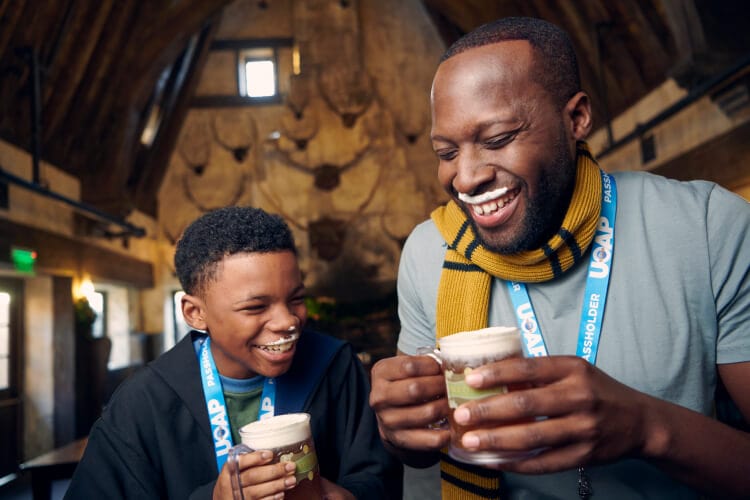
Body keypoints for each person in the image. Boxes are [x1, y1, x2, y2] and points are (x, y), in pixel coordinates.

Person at [369, 16, 750, 500]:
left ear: (576, 119)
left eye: (498, 139)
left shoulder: (708, 227)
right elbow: (422, 448)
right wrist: (399, 429)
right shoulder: (429, 251)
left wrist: (646, 427)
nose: (464, 179)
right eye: (446, 152)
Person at [66, 206, 401, 499]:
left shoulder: (335, 367)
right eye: (255, 307)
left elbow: (381, 477)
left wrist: (350, 496)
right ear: (195, 313)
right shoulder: (143, 403)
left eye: (296, 299)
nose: (287, 321)